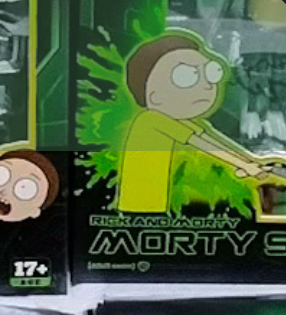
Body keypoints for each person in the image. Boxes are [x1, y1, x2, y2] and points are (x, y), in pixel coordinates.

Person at [117, 34, 273, 214]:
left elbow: (211, 141)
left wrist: (245, 163)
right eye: (185, 76)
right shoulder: (152, 120)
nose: (207, 85)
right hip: (138, 205)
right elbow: (203, 145)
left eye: (211, 73)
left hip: (158, 203)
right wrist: (245, 165)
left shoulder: (179, 121)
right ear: (153, 96)